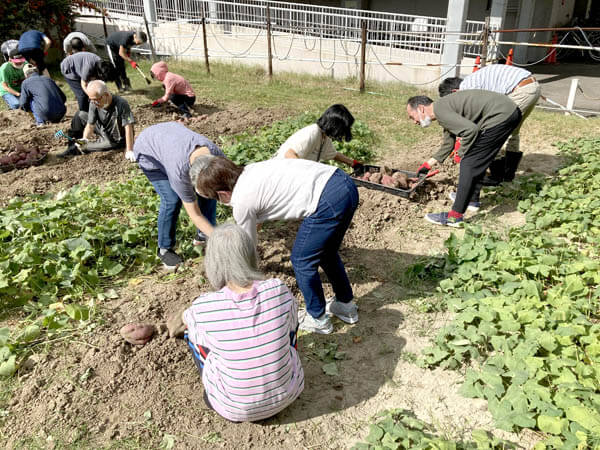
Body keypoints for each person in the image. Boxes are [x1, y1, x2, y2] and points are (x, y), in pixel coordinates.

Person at [191, 156, 359, 335]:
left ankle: (318, 319)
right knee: (327, 252)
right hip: (343, 184)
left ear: (223, 194)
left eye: (213, 198)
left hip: (326, 201)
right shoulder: (251, 169)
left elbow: (247, 250)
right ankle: (345, 305)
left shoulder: (242, 202)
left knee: (302, 260)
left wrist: (243, 285)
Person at [180, 223, 304, 422]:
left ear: (212, 261)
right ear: (250, 254)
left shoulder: (203, 307)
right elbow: (291, 327)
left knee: (191, 335)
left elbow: (187, 320)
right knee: (288, 326)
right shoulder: (277, 289)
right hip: (290, 393)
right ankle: (276, 376)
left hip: (236, 410)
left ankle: (222, 391)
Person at [407, 92, 521, 227]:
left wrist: (461, 153)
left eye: (411, 116)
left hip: (501, 116)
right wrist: (428, 164)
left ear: (421, 108)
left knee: (469, 163)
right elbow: (448, 144)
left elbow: (471, 130)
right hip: (508, 112)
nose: (414, 122)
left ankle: (454, 217)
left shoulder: (441, 111)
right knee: (477, 161)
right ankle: (472, 200)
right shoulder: (441, 109)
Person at [130, 121, 226, 270]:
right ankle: (164, 248)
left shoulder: (218, 156)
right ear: (190, 177)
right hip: (149, 150)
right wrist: (220, 240)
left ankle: (204, 234)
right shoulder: (179, 172)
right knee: (172, 200)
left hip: (169, 137)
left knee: (209, 192)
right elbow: (195, 215)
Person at [438, 64, 541, 185]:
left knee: (493, 132)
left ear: (455, 92)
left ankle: (497, 176)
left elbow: (478, 122)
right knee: (512, 131)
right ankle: (506, 176)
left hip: (521, 90)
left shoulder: (468, 87)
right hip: (531, 86)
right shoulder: (474, 80)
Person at [274, 104, 363, 169]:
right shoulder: (312, 133)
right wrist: (304, 173)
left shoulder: (324, 137)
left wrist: (353, 163)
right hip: (281, 171)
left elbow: (333, 154)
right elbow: (289, 154)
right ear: (335, 126)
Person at [60, 80, 135, 157]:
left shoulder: (121, 104)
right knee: (80, 114)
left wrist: (129, 150)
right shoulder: (94, 102)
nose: (94, 102)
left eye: (96, 100)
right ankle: (72, 145)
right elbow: (90, 124)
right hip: (103, 129)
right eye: (91, 99)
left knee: (85, 147)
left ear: (106, 94)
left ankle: (77, 149)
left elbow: (128, 126)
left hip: (115, 139)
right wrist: (85, 139)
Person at [60, 39, 116, 112]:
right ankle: (83, 114)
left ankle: (94, 110)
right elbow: (83, 84)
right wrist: (92, 96)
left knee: (95, 89)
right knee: (82, 95)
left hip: (79, 66)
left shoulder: (101, 65)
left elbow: (100, 85)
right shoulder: (88, 68)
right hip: (68, 69)